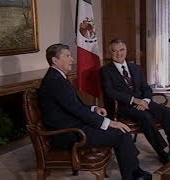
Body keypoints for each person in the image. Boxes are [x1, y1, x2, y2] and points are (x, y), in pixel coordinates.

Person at [38, 43, 151, 180]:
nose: (72, 59)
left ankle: (135, 170)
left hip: (74, 125)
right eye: (67, 56)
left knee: (121, 131)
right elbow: (77, 110)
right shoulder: (55, 81)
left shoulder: (57, 76)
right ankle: (132, 175)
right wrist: (109, 123)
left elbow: (74, 105)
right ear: (55, 60)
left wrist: (94, 108)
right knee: (120, 133)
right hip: (68, 133)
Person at [101, 38, 170, 165]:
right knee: (145, 117)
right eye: (114, 51)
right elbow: (110, 92)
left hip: (144, 101)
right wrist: (135, 100)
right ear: (110, 53)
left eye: (121, 50)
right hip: (124, 106)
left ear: (126, 50)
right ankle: (161, 151)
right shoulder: (106, 70)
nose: (119, 53)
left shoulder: (136, 68)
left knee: (167, 112)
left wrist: (145, 100)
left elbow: (146, 88)